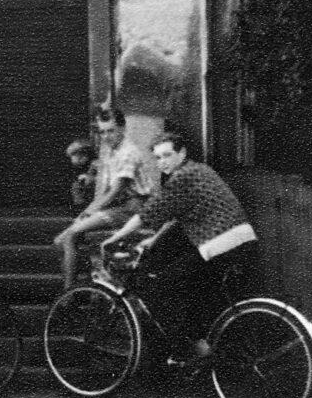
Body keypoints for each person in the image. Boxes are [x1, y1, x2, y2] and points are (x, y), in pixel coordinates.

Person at [101, 131, 261, 368]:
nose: (162, 162)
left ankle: (187, 348)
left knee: (160, 287)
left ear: (182, 153)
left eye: (167, 155)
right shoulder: (200, 171)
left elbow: (148, 213)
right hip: (241, 240)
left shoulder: (182, 177)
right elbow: (176, 216)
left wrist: (115, 237)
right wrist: (154, 240)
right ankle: (207, 354)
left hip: (220, 243)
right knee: (193, 293)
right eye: (157, 158)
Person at [54, 108, 151, 290]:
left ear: (122, 128)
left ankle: (69, 294)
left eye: (111, 130)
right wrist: (89, 211)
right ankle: (85, 286)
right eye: (102, 131)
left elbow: (116, 190)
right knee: (60, 241)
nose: (106, 136)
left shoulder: (128, 152)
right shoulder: (109, 150)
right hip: (115, 206)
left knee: (71, 236)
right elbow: (103, 188)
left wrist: (90, 211)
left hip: (133, 208)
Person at [65, 138, 97, 216]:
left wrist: (89, 177)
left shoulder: (94, 163)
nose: (73, 159)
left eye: (75, 156)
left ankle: (81, 208)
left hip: (94, 185)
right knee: (76, 186)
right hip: (85, 186)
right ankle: (79, 208)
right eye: (73, 155)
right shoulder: (77, 166)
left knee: (77, 186)